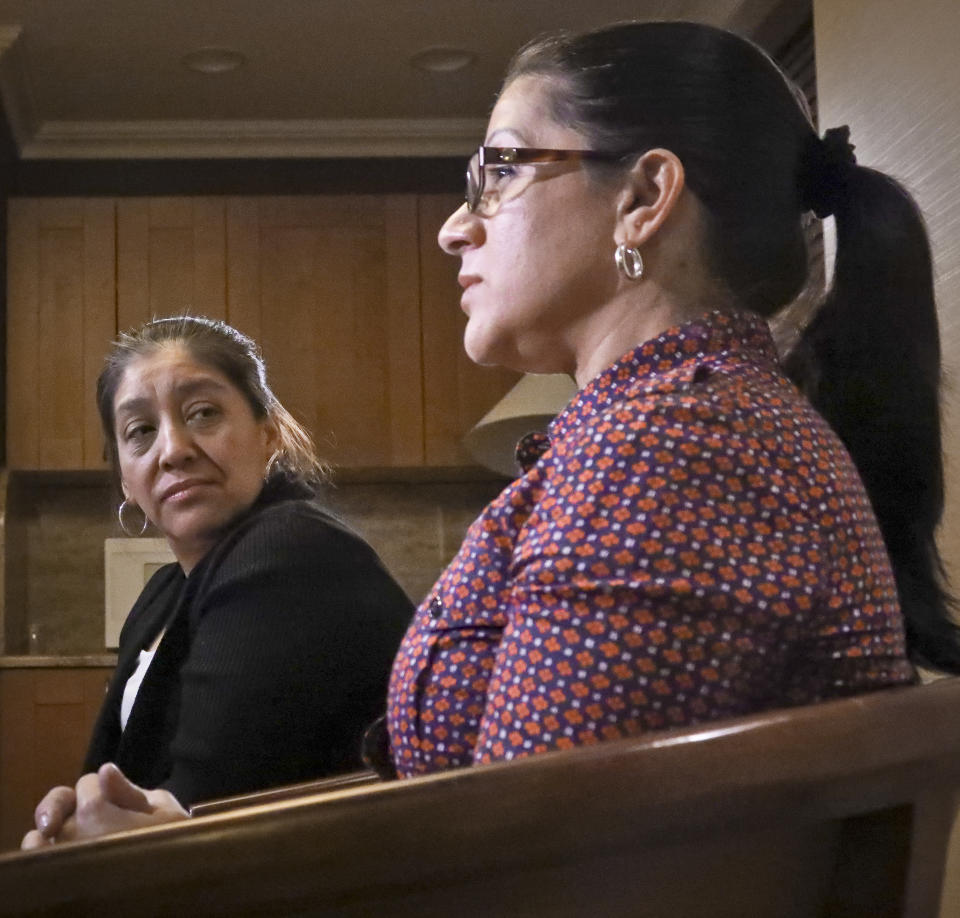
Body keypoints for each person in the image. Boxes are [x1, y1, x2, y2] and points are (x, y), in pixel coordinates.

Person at [386, 20, 960, 778]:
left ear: (644, 197)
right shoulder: (687, 428)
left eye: (499, 174)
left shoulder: (675, 450)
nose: (455, 229)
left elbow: (530, 844)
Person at [23, 316, 413, 846]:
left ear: (267, 433)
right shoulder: (162, 594)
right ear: (124, 478)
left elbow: (201, 810)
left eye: (203, 414)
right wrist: (77, 811)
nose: (174, 450)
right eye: (140, 431)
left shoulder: (288, 550)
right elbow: (123, 782)